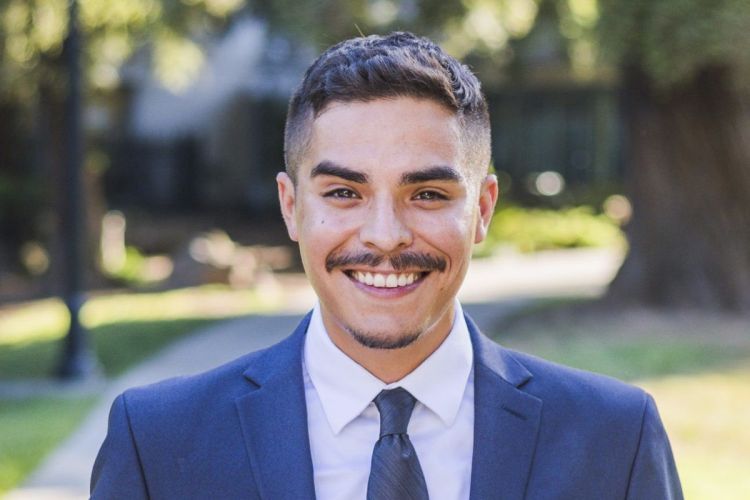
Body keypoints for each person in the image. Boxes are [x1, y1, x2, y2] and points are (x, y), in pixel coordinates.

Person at [91, 32, 683, 499]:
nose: (384, 237)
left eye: (426, 194)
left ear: (481, 210)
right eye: (344, 193)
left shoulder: (615, 441)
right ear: (291, 207)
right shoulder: (158, 444)